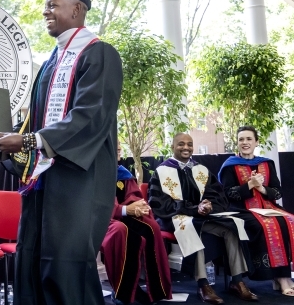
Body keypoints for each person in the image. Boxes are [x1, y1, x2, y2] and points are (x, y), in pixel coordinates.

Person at [0, 0, 123, 305]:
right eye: (45, 6)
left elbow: (89, 116)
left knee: (65, 268)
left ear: (77, 9)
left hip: (79, 182)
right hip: (44, 179)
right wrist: (0, 134)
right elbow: (35, 119)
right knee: (32, 261)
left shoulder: (99, 54)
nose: (45, 12)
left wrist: (31, 142)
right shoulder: (51, 61)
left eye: (52, 5)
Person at [148, 132, 258, 304]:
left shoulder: (201, 169)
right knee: (193, 227)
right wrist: (193, 209)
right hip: (175, 218)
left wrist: (209, 206)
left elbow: (217, 195)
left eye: (190, 144)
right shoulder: (161, 171)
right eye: (181, 144)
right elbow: (160, 204)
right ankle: (203, 284)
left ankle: (237, 281)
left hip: (202, 216)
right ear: (173, 147)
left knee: (232, 226)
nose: (186, 147)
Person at [219, 125, 294, 296]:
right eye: (241, 139)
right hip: (242, 210)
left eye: (249, 139)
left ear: (256, 142)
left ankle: (283, 276)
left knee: (289, 220)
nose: (245, 142)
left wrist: (261, 189)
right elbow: (227, 194)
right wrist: (249, 185)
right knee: (266, 225)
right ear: (237, 143)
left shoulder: (267, 163)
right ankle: (280, 278)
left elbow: (277, 191)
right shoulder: (230, 166)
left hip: (268, 207)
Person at [100, 143, 172, 305]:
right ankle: (121, 292)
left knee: (150, 227)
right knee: (121, 231)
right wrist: (124, 210)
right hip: (100, 220)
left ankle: (155, 289)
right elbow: (98, 206)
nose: (118, 148)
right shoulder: (95, 171)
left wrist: (138, 206)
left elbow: (132, 195)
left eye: (119, 145)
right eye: (114, 144)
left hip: (119, 215)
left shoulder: (121, 172)